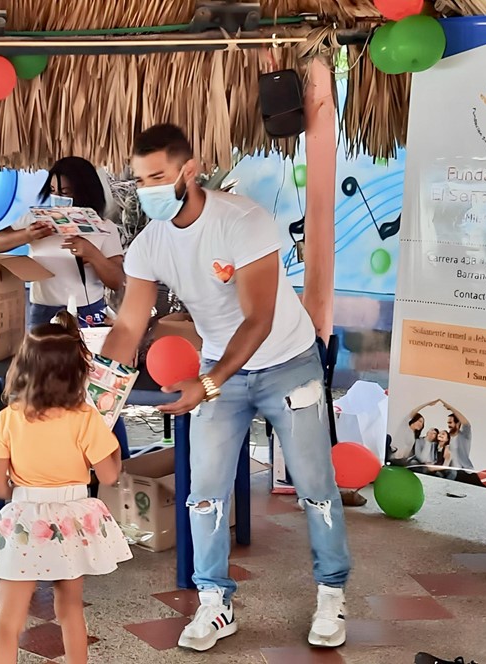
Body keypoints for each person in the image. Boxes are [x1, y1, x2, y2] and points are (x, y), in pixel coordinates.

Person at [101, 124, 351, 652]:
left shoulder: (243, 221)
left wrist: (208, 384)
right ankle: (214, 602)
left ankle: (331, 593)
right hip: (219, 369)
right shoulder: (150, 244)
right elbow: (127, 327)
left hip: (288, 363)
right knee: (205, 495)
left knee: (315, 487)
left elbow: (259, 318)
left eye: (158, 177)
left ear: (189, 171)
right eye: (140, 179)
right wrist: (96, 395)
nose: (147, 190)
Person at [0, 311, 132, 664]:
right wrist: (112, 446)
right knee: (70, 610)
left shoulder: (9, 417)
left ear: (23, 366)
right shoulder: (86, 417)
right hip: (71, 522)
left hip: (24, 519)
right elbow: (109, 475)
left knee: (8, 619)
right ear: (76, 371)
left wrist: (21, 495)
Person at [0, 157, 125, 328]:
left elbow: (116, 281)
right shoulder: (35, 220)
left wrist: (93, 255)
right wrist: (27, 235)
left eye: (65, 193)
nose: (57, 197)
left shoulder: (104, 227)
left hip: (87, 312)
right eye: (53, 191)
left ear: (84, 191)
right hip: (42, 311)